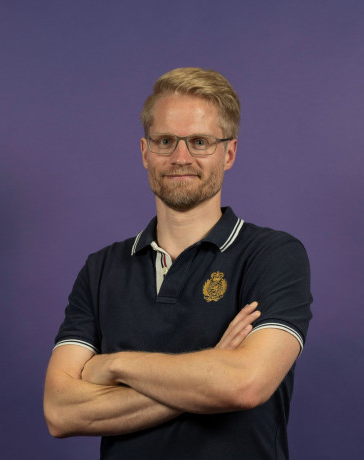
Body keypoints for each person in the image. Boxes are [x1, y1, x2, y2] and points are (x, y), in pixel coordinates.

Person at [44, 67, 312, 459]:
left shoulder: (273, 256)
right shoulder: (101, 269)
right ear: (145, 152)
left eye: (200, 141)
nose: (181, 157)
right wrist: (212, 369)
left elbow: (245, 385)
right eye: (166, 140)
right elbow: (60, 411)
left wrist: (115, 365)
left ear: (229, 152)